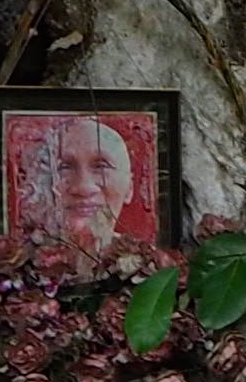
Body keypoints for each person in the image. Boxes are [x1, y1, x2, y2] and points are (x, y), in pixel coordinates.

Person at [14, 109, 149, 268]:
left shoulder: (148, 266)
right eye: (64, 167)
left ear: (129, 188)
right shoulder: (20, 265)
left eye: (100, 166)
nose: (83, 187)